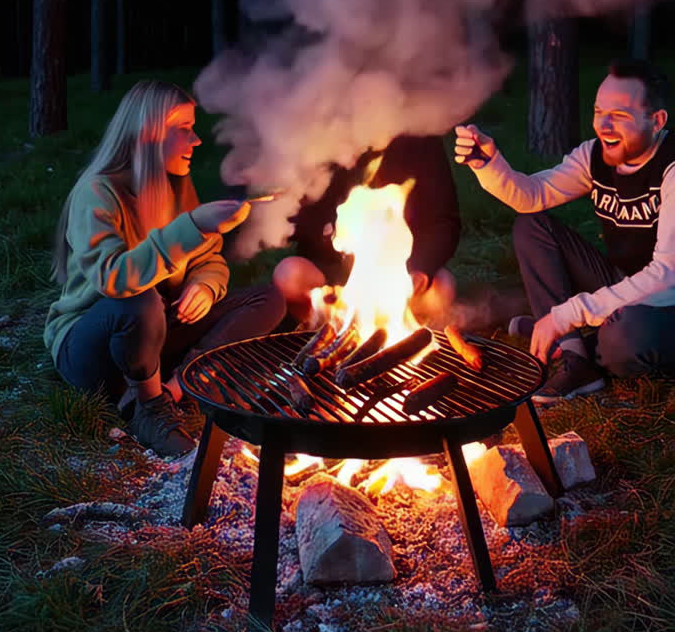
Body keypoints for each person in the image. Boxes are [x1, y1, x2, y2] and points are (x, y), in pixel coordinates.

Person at [45, 80, 286, 457]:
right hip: (92, 346)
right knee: (138, 300)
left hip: (155, 331)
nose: (196, 140)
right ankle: (148, 408)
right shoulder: (97, 193)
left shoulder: (174, 188)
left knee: (268, 298)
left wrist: (205, 286)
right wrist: (193, 226)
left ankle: (181, 385)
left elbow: (210, 260)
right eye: (183, 129)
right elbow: (115, 279)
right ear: (148, 133)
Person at [454, 58, 675, 405]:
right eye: (598, 111)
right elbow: (533, 196)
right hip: (622, 280)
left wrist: (564, 315)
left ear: (657, 120)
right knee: (534, 226)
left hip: (668, 299)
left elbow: (666, 276)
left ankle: (580, 340)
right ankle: (576, 358)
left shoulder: (672, 166)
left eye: (618, 115)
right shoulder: (596, 156)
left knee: (626, 342)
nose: (603, 125)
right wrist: (490, 165)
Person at [273, 134, 461, 326]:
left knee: (441, 289)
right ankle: (322, 329)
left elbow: (443, 221)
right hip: (329, 272)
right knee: (289, 274)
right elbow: (294, 219)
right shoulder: (323, 130)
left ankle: (402, 333)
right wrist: (323, 226)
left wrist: (421, 269)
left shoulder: (421, 136)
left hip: (398, 270)